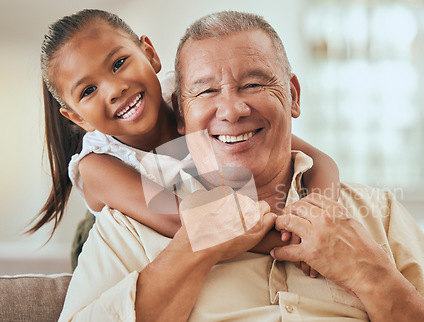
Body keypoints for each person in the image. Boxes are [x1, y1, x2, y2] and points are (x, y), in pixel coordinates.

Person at [51, 10, 424, 322]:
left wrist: (365, 268)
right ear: (183, 115)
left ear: (294, 96)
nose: (232, 109)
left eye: (254, 84)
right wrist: (195, 249)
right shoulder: (124, 217)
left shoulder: (374, 212)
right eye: (207, 91)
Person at [27, 9, 340, 277]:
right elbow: (185, 221)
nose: (113, 90)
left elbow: (319, 160)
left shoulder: (194, 98)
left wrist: (323, 215)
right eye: (88, 90)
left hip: (213, 206)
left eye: (119, 63)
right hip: (131, 239)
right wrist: (295, 240)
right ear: (76, 118)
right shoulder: (97, 166)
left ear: (149, 53)